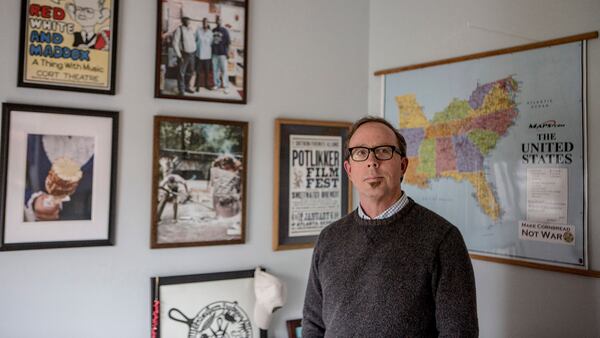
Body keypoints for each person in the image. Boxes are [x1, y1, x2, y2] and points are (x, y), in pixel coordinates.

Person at [302, 116, 478, 337]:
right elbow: (313, 325)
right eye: (360, 152)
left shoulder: (443, 239)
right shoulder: (329, 238)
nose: (372, 161)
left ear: (403, 165)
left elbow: (459, 333)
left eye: (384, 151)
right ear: (349, 169)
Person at [24, 135, 94, 222]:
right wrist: (34, 201)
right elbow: (12, 185)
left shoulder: (104, 136)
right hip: (43, 228)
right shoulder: (31, 136)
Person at [172, 16, 197, 95]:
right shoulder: (179, 30)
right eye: (187, 21)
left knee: (190, 72)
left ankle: (186, 87)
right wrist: (179, 56)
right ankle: (181, 90)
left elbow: (193, 40)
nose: (189, 22)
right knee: (181, 73)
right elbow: (174, 43)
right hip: (184, 54)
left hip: (192, 54)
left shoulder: (190, 29)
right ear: (183, 21)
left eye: (189, 21)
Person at [211, 15, 231, 94]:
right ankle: (217, 84)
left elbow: (228, 43)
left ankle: (226, 86)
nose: (218, 21)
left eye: (219, 20)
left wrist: (228, 53)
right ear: (215, 21)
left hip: (222, 53)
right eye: (217, 20)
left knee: (224, 71)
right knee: (215, 70)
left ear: (221, 21)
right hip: (214, 54)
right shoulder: (213, 30)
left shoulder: (225, 30)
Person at [194, 18, 213, 91]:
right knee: (198, 71)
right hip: (199, 55)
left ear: (208, 23)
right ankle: (197, 86)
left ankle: (206, 85)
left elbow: (211, 43)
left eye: (206, 22)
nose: (205, 23)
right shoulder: (198, 31)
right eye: (204, 22)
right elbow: (195, 40)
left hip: (207, 56)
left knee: (207, 72)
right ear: (202, 23)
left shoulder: (210, 32)